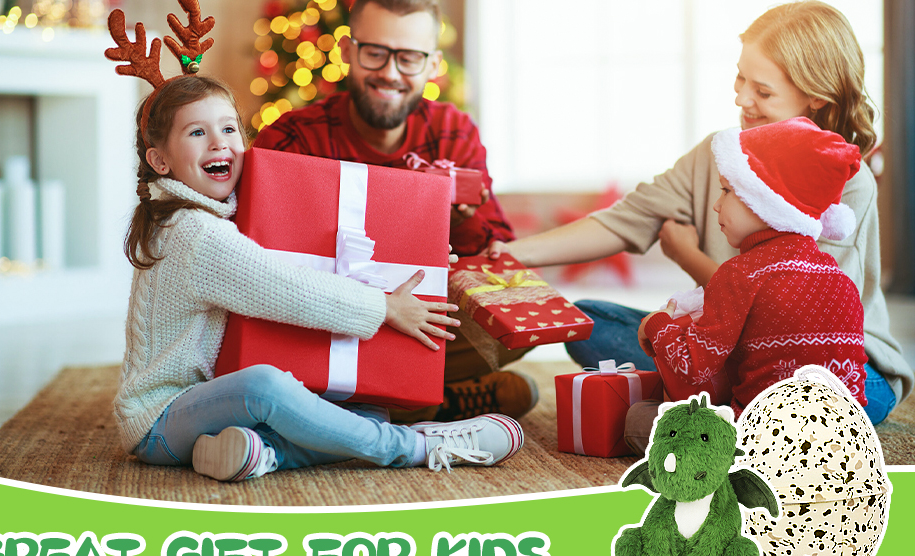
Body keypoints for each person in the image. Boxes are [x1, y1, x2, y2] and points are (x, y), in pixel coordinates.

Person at [487, 1, 911, 425]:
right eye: (740, 77)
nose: (742, 97)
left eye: (762, 91)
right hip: (727, 351)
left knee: (788, 388)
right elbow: (627, 217)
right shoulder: (722, 152)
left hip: (834, 371)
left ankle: (702, 414)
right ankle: (712, 409)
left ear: (815, 96)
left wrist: (686, 256)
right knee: (592, 322)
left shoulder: (847, 182)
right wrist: (514, 254)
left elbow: (797, 320)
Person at [113, 72, 525, 481]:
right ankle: (415, 447)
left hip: (208, 410)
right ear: (160, 161)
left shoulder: (221, 215)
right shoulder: (193, 231)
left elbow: (311, 255)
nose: (219, 142)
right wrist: (384, 307)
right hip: (161, 418)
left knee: (364, 410)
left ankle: (262, 455)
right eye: (197, 133)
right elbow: (283, 287)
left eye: (228, 128)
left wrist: (422, 256)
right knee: (264, 386)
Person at [253, 0, 537, 423]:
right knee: (261, 348)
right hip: (320, 321)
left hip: (417, 319)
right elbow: (254, 262)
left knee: (519, 308)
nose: (390, 72)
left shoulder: (451, 132)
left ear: (432, 65)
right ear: (348, 51)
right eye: (375, 53)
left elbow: (497, 252)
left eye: (408, 58)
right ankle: (433, 402)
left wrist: (460, 217)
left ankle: (350, 406)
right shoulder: (293, 138)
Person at [637, 118, 867, 445]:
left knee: (639, 419)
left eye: (728, 191)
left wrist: (655, 324)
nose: (717, 204)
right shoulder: (838, 276)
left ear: (766, 199)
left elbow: (692, 369)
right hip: (846, 437)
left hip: (764, 440)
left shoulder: (740, 273)